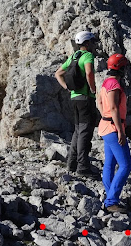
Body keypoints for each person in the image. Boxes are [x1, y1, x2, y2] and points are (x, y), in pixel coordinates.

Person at [55, 30, 98, 177]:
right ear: (87, 43)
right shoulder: (87, 56)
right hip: (86, 98)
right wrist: (93, 89)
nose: (94, 44)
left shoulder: (73, 57)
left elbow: (58, 73)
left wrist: (67, 87)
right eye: (93, 41)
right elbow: (89, 72)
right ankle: (82, 167)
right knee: (85, 132)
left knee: (78, 131)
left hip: (74, 98)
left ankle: (71, 164)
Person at [97, 53, 131, 213]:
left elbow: (99, 102)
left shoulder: (106, 82)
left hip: (105, 126)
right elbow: (114, 109)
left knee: (110, 164)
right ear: (121, 68)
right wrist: (120, 131)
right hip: (113, 128)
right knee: (126, 165)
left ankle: (110, 197)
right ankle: (111, 202)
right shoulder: (114, 85)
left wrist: (104, 116)